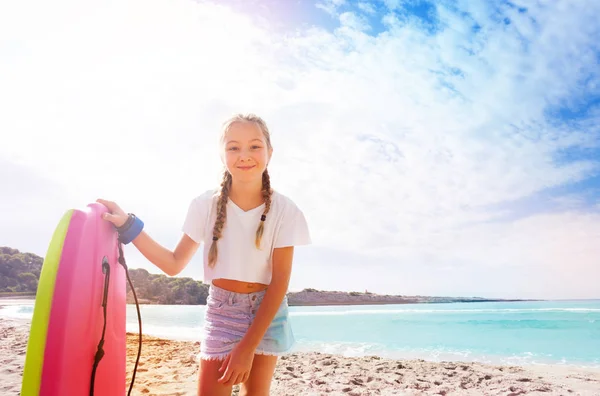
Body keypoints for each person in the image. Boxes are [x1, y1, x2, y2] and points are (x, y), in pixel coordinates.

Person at [97, 113, 311, 396]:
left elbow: (280, 282)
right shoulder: (204, 205)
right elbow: (174, 264)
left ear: (270, 152)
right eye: (233, 147)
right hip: (223, 310)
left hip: (267, 312)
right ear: (222, 155)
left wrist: (246, 348)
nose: (244, 155)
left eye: (255, 146)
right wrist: (129, 226)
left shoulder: (286, 210)